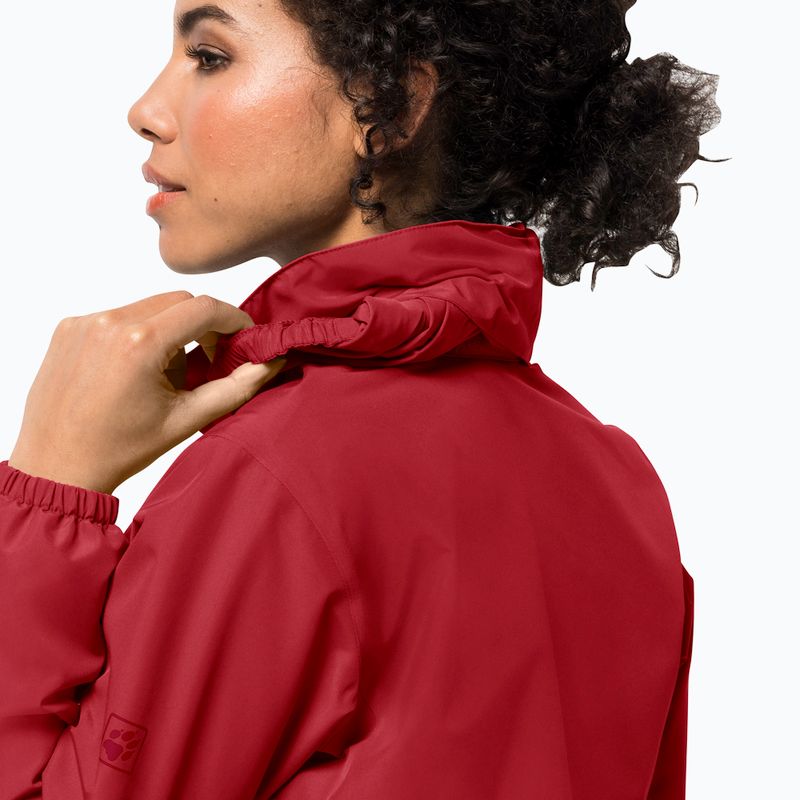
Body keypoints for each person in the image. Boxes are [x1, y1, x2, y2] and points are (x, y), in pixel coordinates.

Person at [0, 0, 721, 797]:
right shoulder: (619, 483)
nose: (146, 110)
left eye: (210, 55)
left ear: (391, 105)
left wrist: (51, 480)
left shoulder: (274, 477)